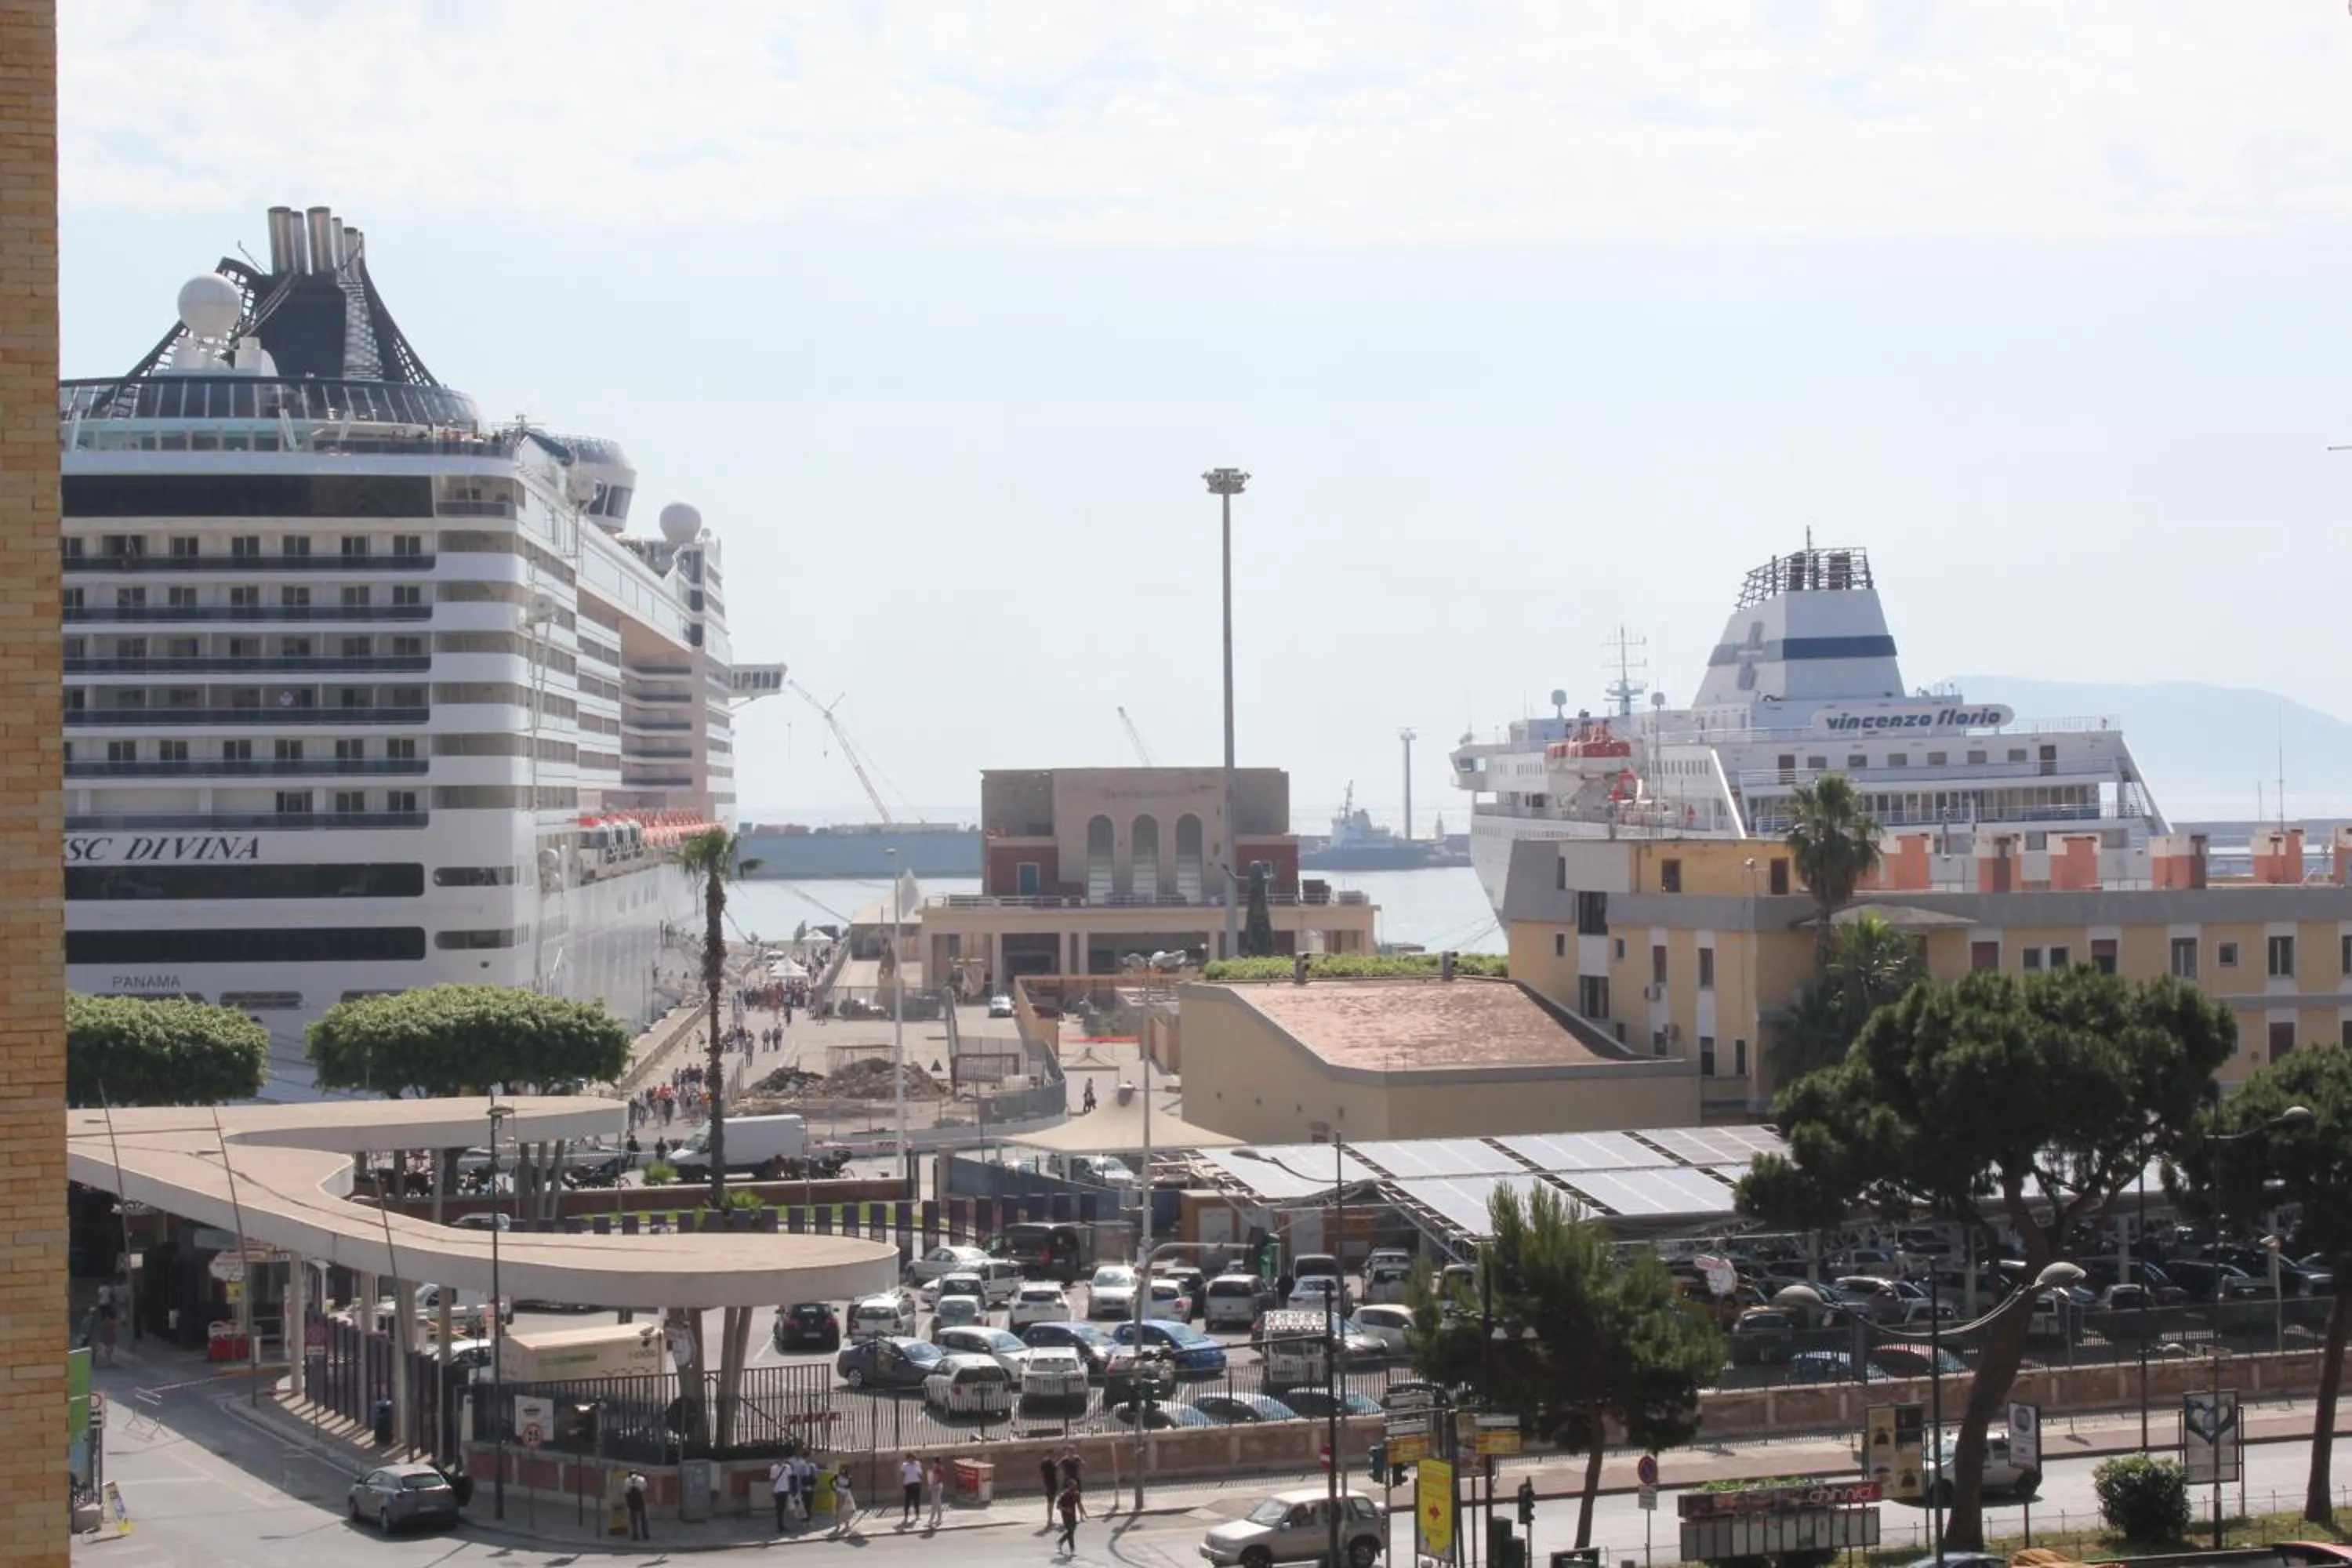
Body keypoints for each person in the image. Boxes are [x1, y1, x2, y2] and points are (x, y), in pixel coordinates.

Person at [1055, 1478, 1083, 1555]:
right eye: (1074, 1485)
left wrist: (1082, 1514)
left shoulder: (1076, 1494)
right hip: (1066, 1516)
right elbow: (1058, 1506)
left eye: (1076, 1484)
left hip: (1073, 1515)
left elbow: (1079, 1504)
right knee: (1070, 1532)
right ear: (1070, 1486)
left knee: (1071, 1531)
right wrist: (1066, 1509)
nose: (1075, 1486)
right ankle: (1072, 1550)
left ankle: (1060, 1542)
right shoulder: (1064, 1495)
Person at [770, 1454, 794, 1534]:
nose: (780, 1461)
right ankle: (780, 1525)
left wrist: (790, 1488)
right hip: (777, 1490)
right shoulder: (773, 1468)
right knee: (779, 1509)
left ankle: (782, 1525)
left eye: (781, 1460)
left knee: (783, 1508)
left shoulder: (787, 1467)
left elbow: (790, 1478)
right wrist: (772, 1490)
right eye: (779, 1460)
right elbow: (772, 1480)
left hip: (785, 1489)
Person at [830, 1465, 857, 1534]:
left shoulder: (849, 1477)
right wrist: (834, 1489)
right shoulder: (837, 1476)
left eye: (844, 1469)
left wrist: (844, 1486)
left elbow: (850, 1485)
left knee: (848, 1510)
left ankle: (847, 1525)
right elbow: (830, 1482)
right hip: (839, 1493)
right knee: (839, 1509)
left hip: (846, 1494)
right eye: (842, 1469)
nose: (843, 1470)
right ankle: (838, 1525)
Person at [625, 1469, 650, 1541]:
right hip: (640, 1501)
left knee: (634, 1520)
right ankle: (645, 1534)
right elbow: (645, 1490)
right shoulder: (642, 1479)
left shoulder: (627, 1481)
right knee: (643, 1519)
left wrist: (628, 1503)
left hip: (632, 1503)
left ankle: (635, 1535)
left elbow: (626, 1492)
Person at [900, 1453, 924, 1525]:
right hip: (908, 1484)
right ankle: (906, 1516)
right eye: (909, 1458)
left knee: (916, 1500)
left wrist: (916, 1467)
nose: (911, 1459)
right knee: (907, 1501)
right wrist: (903, 1482)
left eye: (912, 1458)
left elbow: (920, 1473)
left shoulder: (917, 1464)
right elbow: (902, 1474)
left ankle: (917, 1515)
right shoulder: (904, 1465)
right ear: (907, 1459)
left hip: (916, 1483)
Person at [926, 1457, 946, 1530]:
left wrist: (931, 1485)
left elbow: (936, 1479)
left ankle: (934, 1520)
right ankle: (937, 1519)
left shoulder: (938, 1469)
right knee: (937, 1503)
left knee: (935, 1504)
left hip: (936, 1486)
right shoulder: (939, 1468)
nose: (933, 1464)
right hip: (939, 1486)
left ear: (936, 1463)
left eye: (934, 1463)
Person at [1040, 1453, 1059, 1525]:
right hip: (1050, 1485)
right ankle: (1050, 1520)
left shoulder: (1050, 1464)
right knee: (1050, 1503)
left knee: (1051, 1502)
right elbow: (1043, 1475)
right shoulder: (1047, 1464)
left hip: (1051, 1485)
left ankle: (1050, 1519)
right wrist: (1045, 1486)